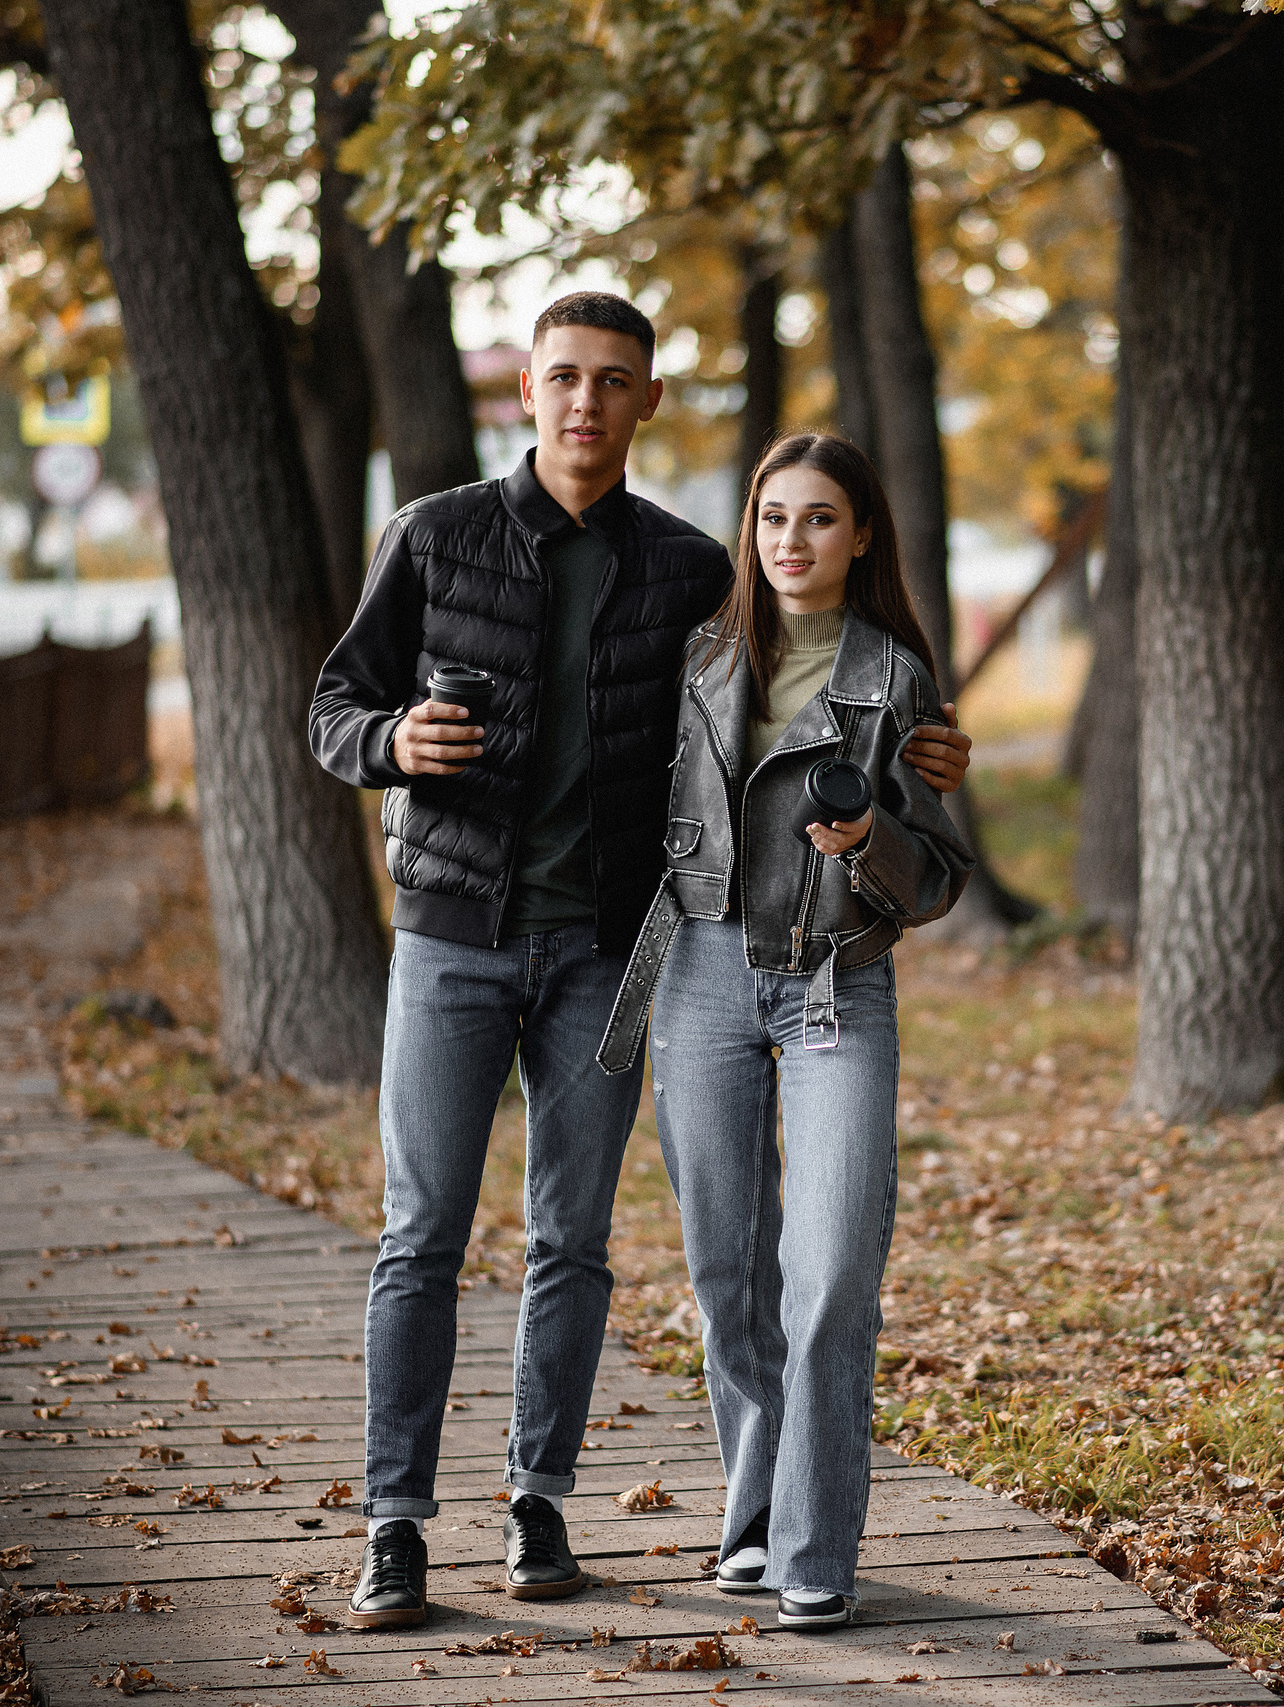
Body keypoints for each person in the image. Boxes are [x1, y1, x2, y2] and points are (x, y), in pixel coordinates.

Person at [307, 295, 973, 1631]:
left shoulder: (687, 572)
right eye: (563, 376)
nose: (585, 401)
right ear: (528, 389)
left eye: (613, 380)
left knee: (590, 1240)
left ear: (648, 400)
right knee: (429, 1234)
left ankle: (554, 1502)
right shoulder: (436, 536)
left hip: (626, 957)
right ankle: (396, 1523)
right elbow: (334, 706)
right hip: (476, 942)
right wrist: (389, 743)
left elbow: (832, 733)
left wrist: (907, 782)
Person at [595, 432, 974, 1630]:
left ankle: (814, 1547)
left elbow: (939, 875)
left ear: (860, 537)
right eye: (772, 517)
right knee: (726, 1272)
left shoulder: (894, 678)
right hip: (700, 973)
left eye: (818, 518)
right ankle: (754, 1512)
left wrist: (872, 842)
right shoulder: (698, 653)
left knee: (833, 1270)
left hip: (834, 986)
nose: (791, 540)